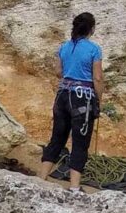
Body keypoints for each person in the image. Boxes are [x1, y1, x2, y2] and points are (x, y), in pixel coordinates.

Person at [40, 11, 103, 188]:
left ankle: (42, 178)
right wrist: (98, 100)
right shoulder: (94, 49)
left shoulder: (64, 47)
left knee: (57, 138)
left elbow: (58, 71)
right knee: (80, 142)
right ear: (91, 29)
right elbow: (97, 77)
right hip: (83, 98)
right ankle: (74, 187)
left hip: (62, 96)